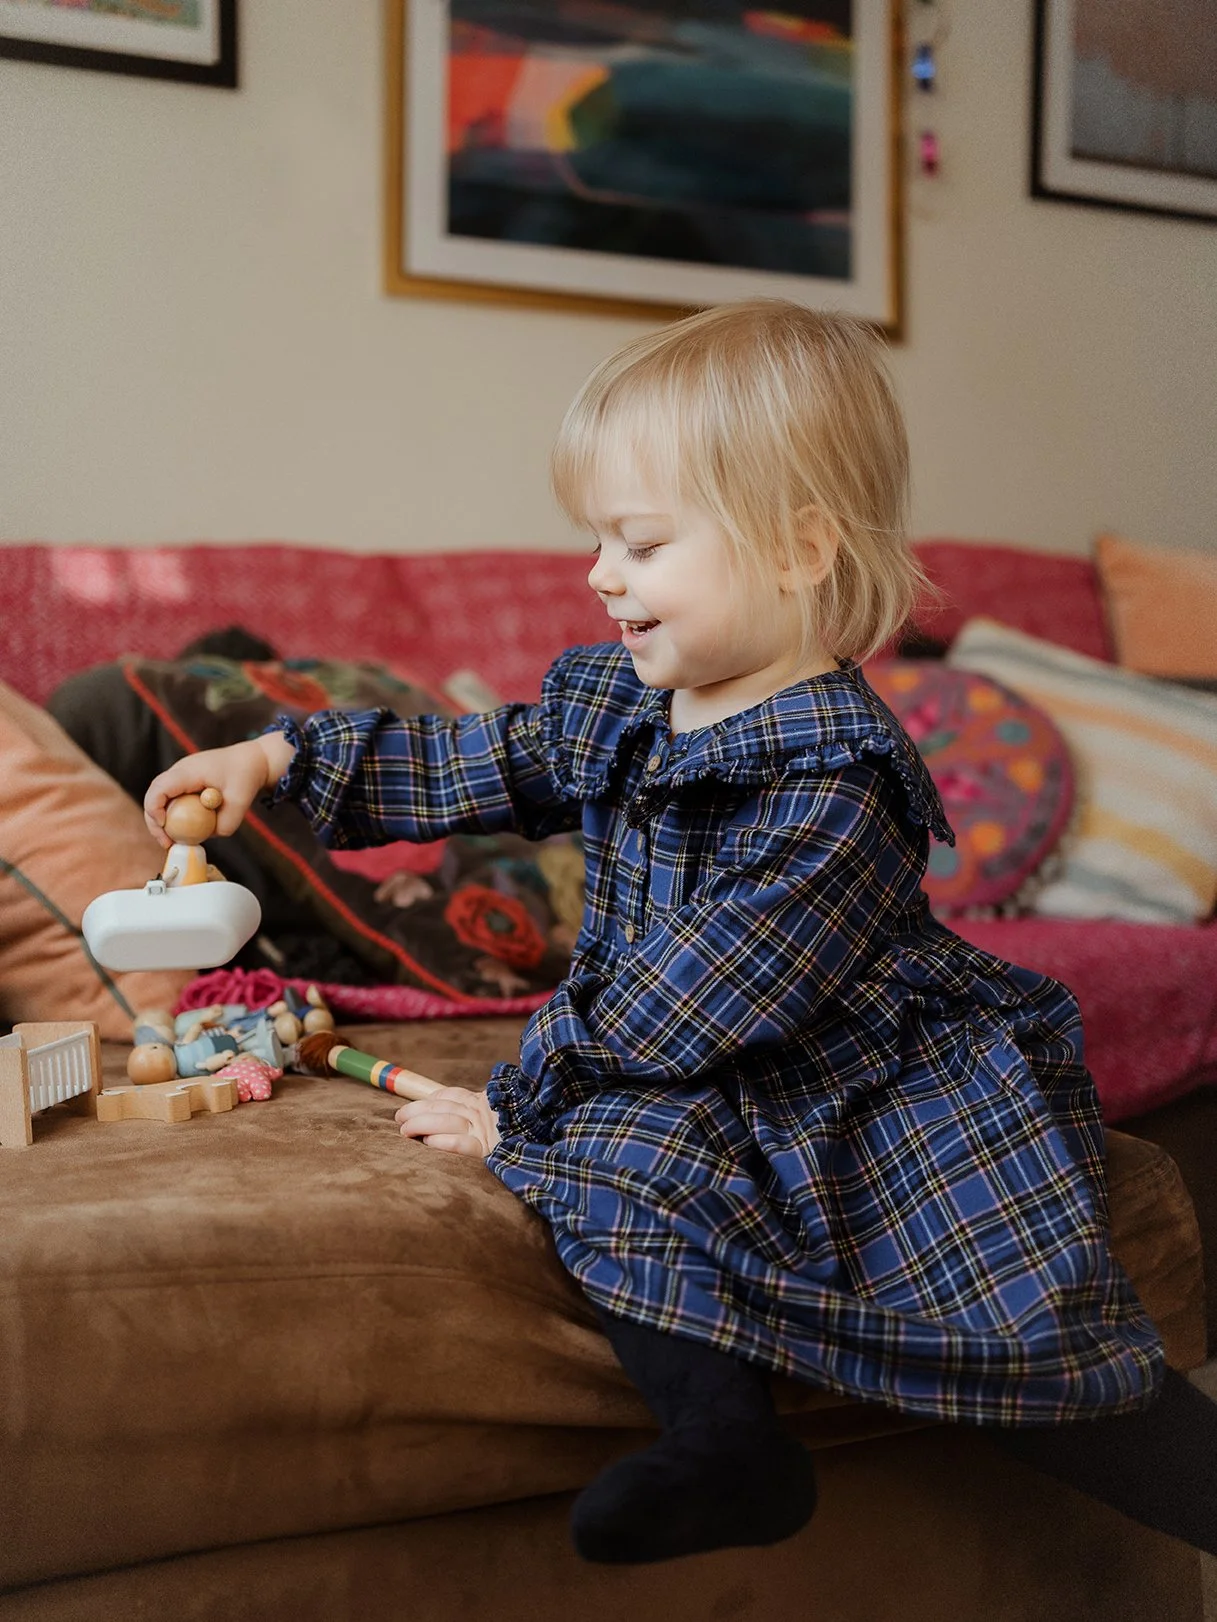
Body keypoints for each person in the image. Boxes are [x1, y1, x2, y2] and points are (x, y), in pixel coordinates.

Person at [144, 300, 1217, 1569]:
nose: (601, 573)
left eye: (640, 542)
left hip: (864, 1076)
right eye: (598, 538)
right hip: (695, 1057)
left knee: (1005, 1293)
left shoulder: (836, 777)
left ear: (798, 545)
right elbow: (473, 754)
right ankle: (724, 1443)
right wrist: (279, 749)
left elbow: (701, 994)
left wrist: (518, 1104)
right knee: (620, 1168)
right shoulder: (627, 703)